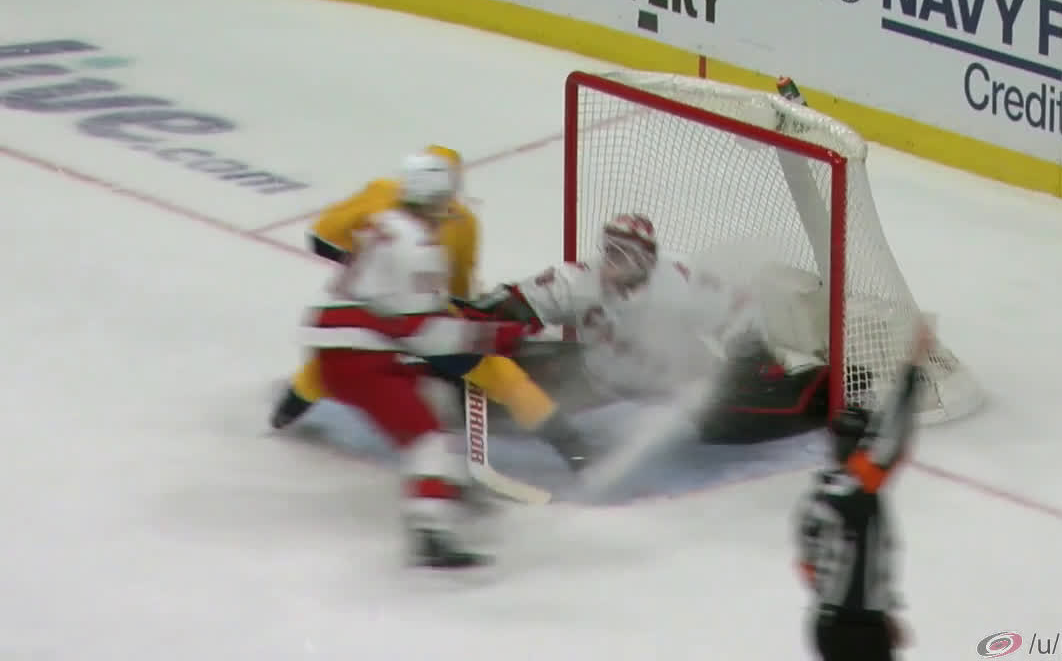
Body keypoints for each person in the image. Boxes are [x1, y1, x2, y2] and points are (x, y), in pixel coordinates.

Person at [269, 145, 584, 468]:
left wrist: (367, 270)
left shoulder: (382, 192)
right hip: (424, 317)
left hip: (366, 312)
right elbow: (458, 295)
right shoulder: (463, 220)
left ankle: (283, 416)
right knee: (500, 375)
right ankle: (574, 449)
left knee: (332, 362)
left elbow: (321, 237)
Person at [298, 149, 531, 567]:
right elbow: (427, 334)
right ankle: (430, 530)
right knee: (428, 441)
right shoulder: (420, 246)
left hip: (339, 342)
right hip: (358, 354)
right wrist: (503, 337)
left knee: (436, 399)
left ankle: (451, 482)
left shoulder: (385, 223)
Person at [462, 213, 762, 432]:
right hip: (600, 386)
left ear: (644, 260)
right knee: (514, 396)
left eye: (622, 252)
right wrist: (487, 315)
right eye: (609, 248)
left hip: (673, 394)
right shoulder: (579, 279)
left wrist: (741, 360)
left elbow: (740, 313)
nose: (610, 258)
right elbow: (518, 301)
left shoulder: (681, 283)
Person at [793, 317, 934, 660]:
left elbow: (810, 569)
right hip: (855, 631)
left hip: (829, 626)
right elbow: (893, 437)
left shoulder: (818, 495)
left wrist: (877, 613)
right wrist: (913, 368)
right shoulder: (858, 486)